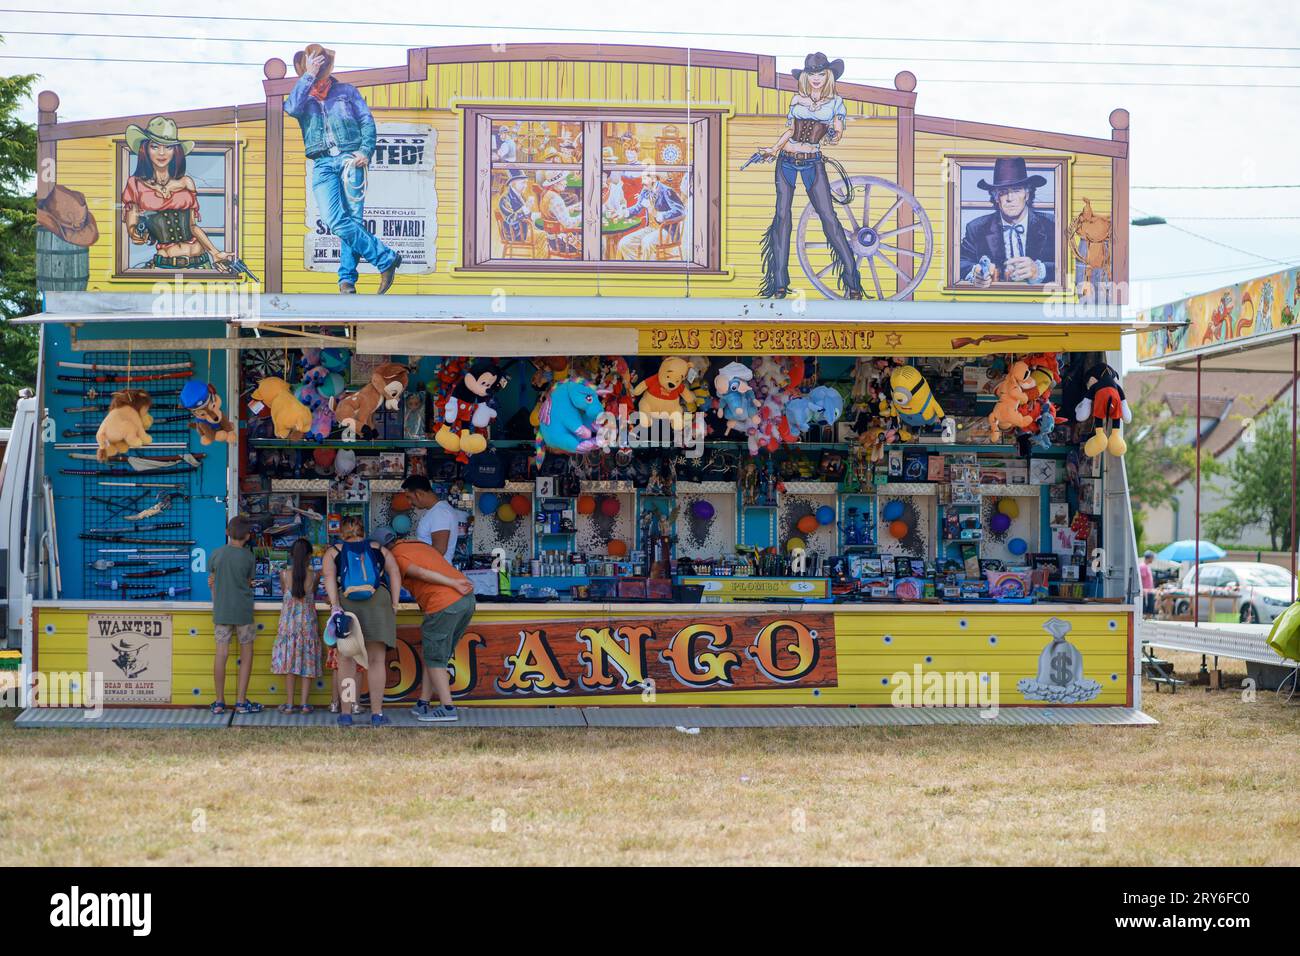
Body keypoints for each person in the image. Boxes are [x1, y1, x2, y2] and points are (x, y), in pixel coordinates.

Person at [285, 43, 402, 295]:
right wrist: (308, 75)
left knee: (353, 220)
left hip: (350, 158)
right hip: (322, 162)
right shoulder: (302, 96)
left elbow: (366, 122)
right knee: (335, 220)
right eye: (311, 67)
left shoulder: (347, 91)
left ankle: (346, 281)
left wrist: (365, 151)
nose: (317, 71)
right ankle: (385, 258)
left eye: (319, 67)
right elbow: (291, 108)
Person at [757, 53, 865, 300]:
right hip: (786, 161)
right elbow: (790, 131)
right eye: (811, 75)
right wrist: (773, 149)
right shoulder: (797, 100)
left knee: (829, 219)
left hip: (812, 163)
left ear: (827, 76)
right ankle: (780, 283)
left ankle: (853, 283)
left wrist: (833, 136)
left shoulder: (836, 103)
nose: (816, 79)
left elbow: (837, 130)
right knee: (782, 218)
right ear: (805, 77)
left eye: (820, 74)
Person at [379, 528, 476, 722]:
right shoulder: (417, 545)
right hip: (466, 601)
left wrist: (452, 583)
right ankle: (423, 703)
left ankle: (448, 707)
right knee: (436, 656)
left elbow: (421, 573)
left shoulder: (397, 555)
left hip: (444, 603)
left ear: (383, 549)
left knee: (434, 658)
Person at [121, 116, 235, 274]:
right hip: (165, 264)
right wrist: (137, 233)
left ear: (176, 151)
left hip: (200, 262)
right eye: (155, 146)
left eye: (168, 147)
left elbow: (193, 226)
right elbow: (132, 228)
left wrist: (214, 252)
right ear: (145, 149)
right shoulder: (135, 184)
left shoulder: (186, 182)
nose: (162, 153)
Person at [321, 516, 402, 726]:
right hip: (378, 604)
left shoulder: (333, 552)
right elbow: (394, 572)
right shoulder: (378, 548)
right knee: (376, 661)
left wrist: (335, 605)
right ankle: (377, 714)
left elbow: (329, 577)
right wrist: (394, 603)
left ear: (341, 533)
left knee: (347, 661)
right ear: (363, 531)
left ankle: (346, 714)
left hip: (348, 605)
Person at [959, 156, 1056, 287]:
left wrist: (1040, 270)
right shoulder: (976, 228)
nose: (1010, 198)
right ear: (996, 197)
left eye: (1016, 191)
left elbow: (1069, 265)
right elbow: (960, 262)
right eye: (1003, 192)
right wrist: (975, 272)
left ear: (1027, 194)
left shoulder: (1052, 225)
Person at [207, 516, 262, 715]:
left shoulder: (216, 554)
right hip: (243, 612)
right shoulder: (249, 557)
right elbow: (249, 581)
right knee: (247, 655)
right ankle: (240, 701)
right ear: (248, 536)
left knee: (221, 654)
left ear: (226, 532)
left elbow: (212, 580)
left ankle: (219, 701)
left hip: (221, 611)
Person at [271, 538, 323, 713]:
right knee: (307, 663)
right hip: (307, 626)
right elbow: (313, 594)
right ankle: (305, 704)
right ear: (310, 556)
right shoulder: (315, 575)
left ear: (292, 555)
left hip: (288, 627)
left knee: (290, 665)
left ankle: (289, 703)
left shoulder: (284, 575)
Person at [616, 171, 686, 261]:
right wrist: (624, 212)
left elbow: (680, 211)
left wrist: (658, 214)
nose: (642, 182)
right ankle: (636, 268)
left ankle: (646, 270)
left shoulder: (667, 191)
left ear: (654, 179)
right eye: (642, 179)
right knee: (624, 243)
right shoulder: (645, 190)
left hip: (666, 230)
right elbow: (637, 207)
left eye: (644, 179)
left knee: (647, 242)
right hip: (650, 228)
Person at [401, 475, 465, 563]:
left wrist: (412, 556)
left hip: (437, 572)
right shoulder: (434, 510)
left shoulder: (440, 512)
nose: (409, 502)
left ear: (419, 494)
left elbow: (439, 550)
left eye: (409, 497)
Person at [1140, 550, 1157, 617]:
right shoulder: (1143, 566)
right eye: (1152, 557)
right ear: (1149, 558)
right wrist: (1142, 590)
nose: (1153, 559)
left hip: (1149, 590)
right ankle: (1146, 616)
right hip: (1146, 590)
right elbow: (1141, 578)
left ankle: (1148, 616)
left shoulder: (1147, 566)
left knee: (1151, 604)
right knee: (1148, 604)